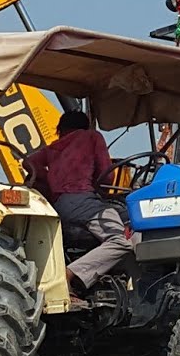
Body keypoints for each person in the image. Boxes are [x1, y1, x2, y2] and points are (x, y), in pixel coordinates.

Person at [24, 111, 132, 305]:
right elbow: (106, 177)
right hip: (83, 200)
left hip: (60, 205)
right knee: (123, 240)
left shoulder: (54, 148)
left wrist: (48, 182)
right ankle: (69, 274)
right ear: (86, 126)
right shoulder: (92, 137)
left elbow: (28, 162)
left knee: (125, 217)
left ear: (61, 130)